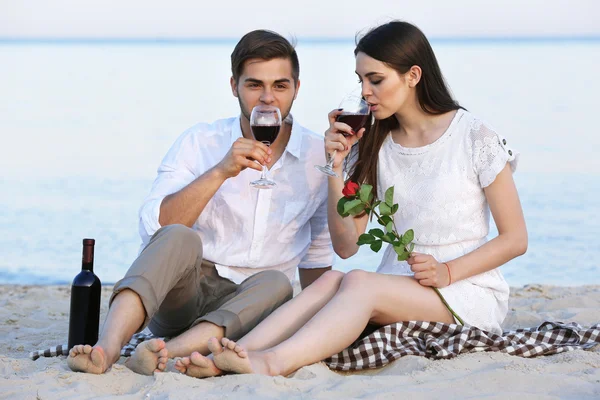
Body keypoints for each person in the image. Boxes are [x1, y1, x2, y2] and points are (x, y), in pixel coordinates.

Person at [182, 20, 528, 377]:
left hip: (465, 289)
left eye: (375, 80)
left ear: (412, 75)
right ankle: (237, 352)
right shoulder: (373, 145)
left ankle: (272, 362)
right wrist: (335, 167)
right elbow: (347, 246)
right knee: (334, 280)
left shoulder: (474, 136)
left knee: (358, 281)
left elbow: (516, 239)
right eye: (360, 80)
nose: (365, 92)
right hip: (397, 285)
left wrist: (447, 271)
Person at [66, 29, 335, 375]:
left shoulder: (317, 156)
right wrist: (220, 171)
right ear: (233, 86)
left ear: (297, 89)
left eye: (280, 86)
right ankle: (107, 348)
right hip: (184, 293)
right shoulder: (200, 141)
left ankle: (163, 352)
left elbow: (317, 255)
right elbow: (157, 228)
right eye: (254, 85)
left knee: (278, 283)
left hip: (253, 305)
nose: (268, 99)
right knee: (180, 235)